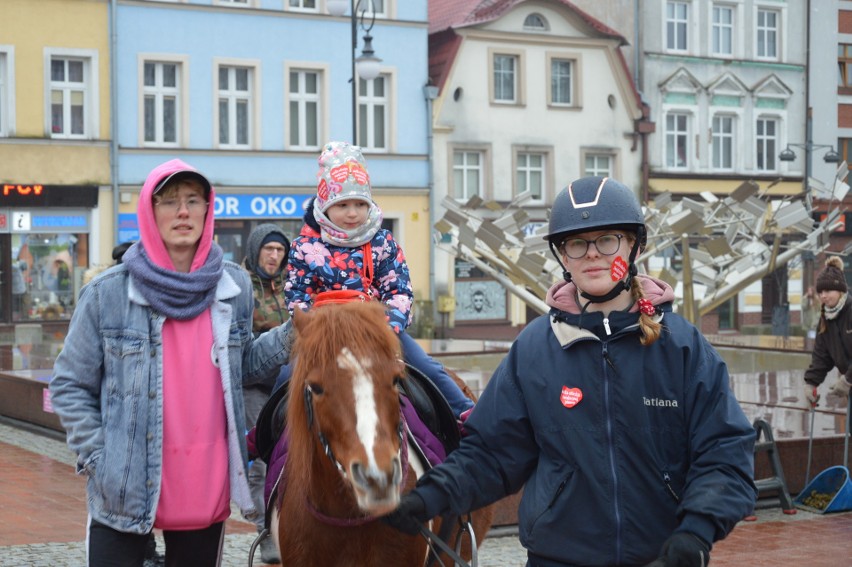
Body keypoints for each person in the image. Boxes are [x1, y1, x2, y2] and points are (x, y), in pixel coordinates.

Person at [384, 176, 757, 567]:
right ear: (563, 256)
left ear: (633, 245)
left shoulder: (682, 347)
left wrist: (695, 532)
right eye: (577, 244)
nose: (592, 255)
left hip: (662, 557)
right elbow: (493, 454)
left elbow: (724, 452)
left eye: (607, 239)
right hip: (557, 557)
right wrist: (429, 497)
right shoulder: (533, 350)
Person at [49, 159, 293, 567]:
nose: (183, 212)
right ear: (149, 211)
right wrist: (98, 459)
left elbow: (243, 366)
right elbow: (70, 385)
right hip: (124, 487)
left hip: (204, 486)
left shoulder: (232, 289)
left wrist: (292, 334)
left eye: (193, 200)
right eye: (170, 201)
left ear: (207, 210)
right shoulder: (107, 294)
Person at [285, 141, 473, 419]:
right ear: (325, 206)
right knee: (285, 379)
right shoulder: (304, 247)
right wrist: (313, 331)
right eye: (343, 204)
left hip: (377, 329)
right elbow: (297, 297)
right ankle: (264, 436)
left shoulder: (382, 241)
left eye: (360, 204)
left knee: (426, 365)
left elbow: (399, 291)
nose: (352, 213)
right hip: (323, 335)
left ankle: (465, 412)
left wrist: (389, 328)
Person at [242, 223, 290, 565]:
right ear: (256, 250)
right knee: (260, 459)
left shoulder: (290, 286)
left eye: (280, 251)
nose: (275, 256)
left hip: (289, 380)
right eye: (269, 250)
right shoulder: (242, 286)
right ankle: (266, 530)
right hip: (255, 386)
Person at [803, 256, 852, 406]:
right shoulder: (826, 319)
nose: (823, 295)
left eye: (828, 290)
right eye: (820, 291)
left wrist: (848, 379)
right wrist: (811, 383)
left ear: (840, 290)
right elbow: (821, 355)